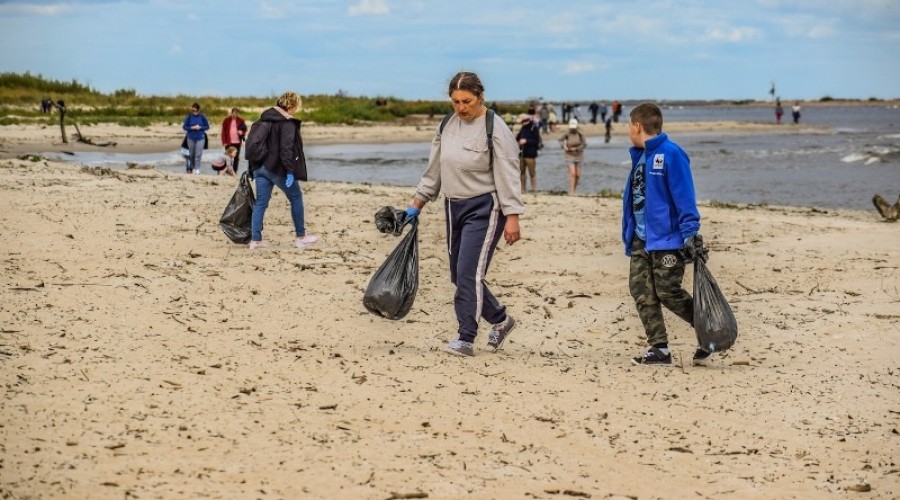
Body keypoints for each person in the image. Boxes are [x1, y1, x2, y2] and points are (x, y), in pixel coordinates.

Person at [403, 71, 524, 357]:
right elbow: (435, 169)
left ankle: (466, 338)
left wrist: (513, 215)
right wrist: (416, 204)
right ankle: (501, 320)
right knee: (459, 274)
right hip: (452, 205)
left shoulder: (495, 127)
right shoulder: (446, 125)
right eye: (456, 102)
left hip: (485, 207)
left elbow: (508, 172)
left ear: (480, 97)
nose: (462, 108)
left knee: (469, 273)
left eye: (467, 101)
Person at [622, 102, 707, 366]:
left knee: (668, 291)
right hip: (641, 238)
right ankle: (659, 349)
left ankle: (709, 332)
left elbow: (684, 196)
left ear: (637, 126)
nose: (628, 130)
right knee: (640, 289)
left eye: (628, 125)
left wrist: (691, 232)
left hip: (668, 240)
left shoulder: (671, 154)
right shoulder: (640, 155)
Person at [248, 91, 319, 250]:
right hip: (275, 168)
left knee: (261, 203)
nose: (295, 110)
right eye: (296, 107)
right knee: (296, 197)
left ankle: (255, 240)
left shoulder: (263, 119)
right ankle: (301, 237)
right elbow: (286, 149)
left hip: (260, 167)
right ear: (292, 106)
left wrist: (253, 168)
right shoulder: (286, 123)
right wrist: (290, 171)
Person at [559, 118, 586, 195]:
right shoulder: (567, 133)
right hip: (569, 155)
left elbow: (584, 144)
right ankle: (571, 191)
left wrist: (576, 149)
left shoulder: (580, 133)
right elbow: (560, 140)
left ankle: (574, 189)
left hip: (579, 155)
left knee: (578, 175)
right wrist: (564, 146)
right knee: (572, 173)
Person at [516, 116, 542, 192]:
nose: (521, 123)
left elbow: (536, 141)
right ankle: (523, 189)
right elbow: (517, 138)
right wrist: (518, 141)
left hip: (531, 155)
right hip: (521, 154)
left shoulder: (534, 128)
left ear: (527, 121)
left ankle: (533, 189)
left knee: (532, 173)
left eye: (522, 122)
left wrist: (526, 141)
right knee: (522, 173)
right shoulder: (523, 128)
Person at [181, 102, 209, 174]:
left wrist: (200, 127)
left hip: (201, 137)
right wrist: (191, 127)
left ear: (199, 110)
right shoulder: (189, 117)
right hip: (190, 137)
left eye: (196, 111)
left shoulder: (202, 117)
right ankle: (192, 167)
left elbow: (207, 127)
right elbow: (184, 127)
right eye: (193, 111)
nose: (194, 112)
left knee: (198, 154)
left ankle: (197, 168)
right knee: (192, 154)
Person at [220, 108, 247, 173]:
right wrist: (224, 141)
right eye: (234, 113)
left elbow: (245, 129)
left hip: (237, 142)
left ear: (238, 114)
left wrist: (242, 132)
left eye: (236, 113)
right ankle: (226, 171)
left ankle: (235, 171)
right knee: (227, 157)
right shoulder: (226, 120)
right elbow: (223, 131)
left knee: (236, 157)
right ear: (231, 113)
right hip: (228, 142)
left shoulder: (241, 120)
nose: (235, 114)